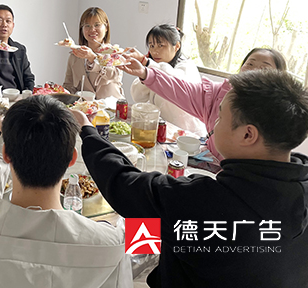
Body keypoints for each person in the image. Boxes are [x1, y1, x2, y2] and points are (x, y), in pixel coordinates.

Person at [75, 69, 308, 287]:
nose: (213, 125)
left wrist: (88, 131)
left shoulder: (207, 202)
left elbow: (124, 184)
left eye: (219, 118)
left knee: (121, 237)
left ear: (248, 134)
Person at [0, 95, 131, 287]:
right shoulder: (113, 243)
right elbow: (151, 229)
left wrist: (6, 138)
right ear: (72, 158)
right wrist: (88, 130)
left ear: (6, 155)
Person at [120, 47, 286, 160]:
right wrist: (145, 72)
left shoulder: (277, 116)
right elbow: (180, 89)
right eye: (250, 64)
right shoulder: (218, 93)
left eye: (264, 68)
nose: (253, 70)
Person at [128, 24, 206, 135]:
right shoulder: (155, 66)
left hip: (188, 134)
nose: (155, 51)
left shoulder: (187, 67)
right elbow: (138, 97)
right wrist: (145, 74)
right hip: (165, 131)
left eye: (161, 45)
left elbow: (173, 81)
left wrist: (147, 63)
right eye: (152, 46)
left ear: (177, 46)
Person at [63, 7, 124, 99]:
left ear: (106, 28)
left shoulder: (115, 52)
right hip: (84, 106)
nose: (92, 29)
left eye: (97, 25)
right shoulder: (74, 56)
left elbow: (114, 76)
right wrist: (59, 92)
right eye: (87, 25)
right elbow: (69, 86)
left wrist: (93, 58)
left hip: (110, 106)